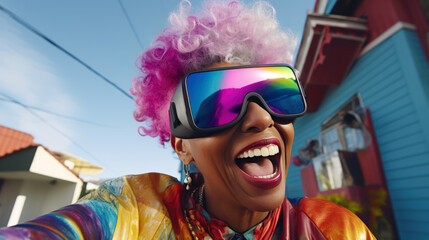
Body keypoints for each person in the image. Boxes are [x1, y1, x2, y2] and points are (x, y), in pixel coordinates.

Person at [0, 1, 375, 239]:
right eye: (220, 103)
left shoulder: (336, 230)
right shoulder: (135, 211)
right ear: (183, 146)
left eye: (276, 94)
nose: (261, 118)